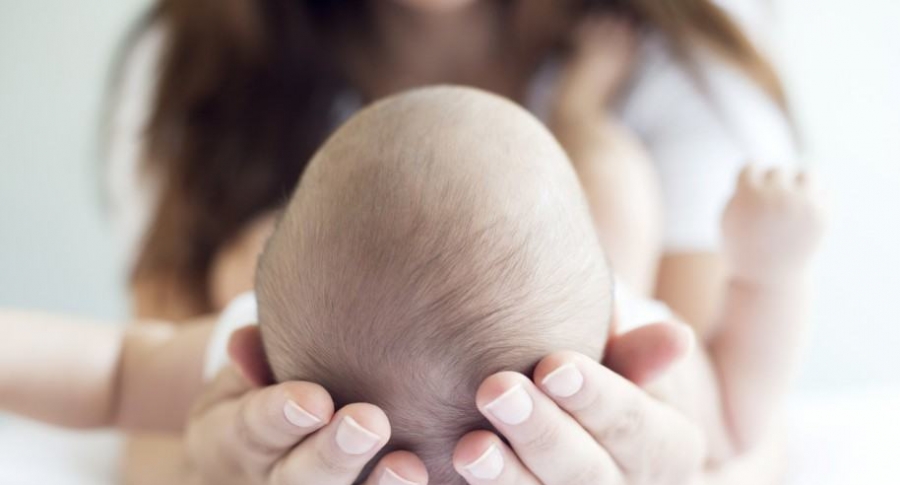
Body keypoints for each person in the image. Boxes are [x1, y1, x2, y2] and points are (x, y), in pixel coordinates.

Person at [102, 0, 799, 482]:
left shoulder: (681, 81)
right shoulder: (205, 69)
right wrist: (770, 272)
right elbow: (740, 416)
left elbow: (120, 386)